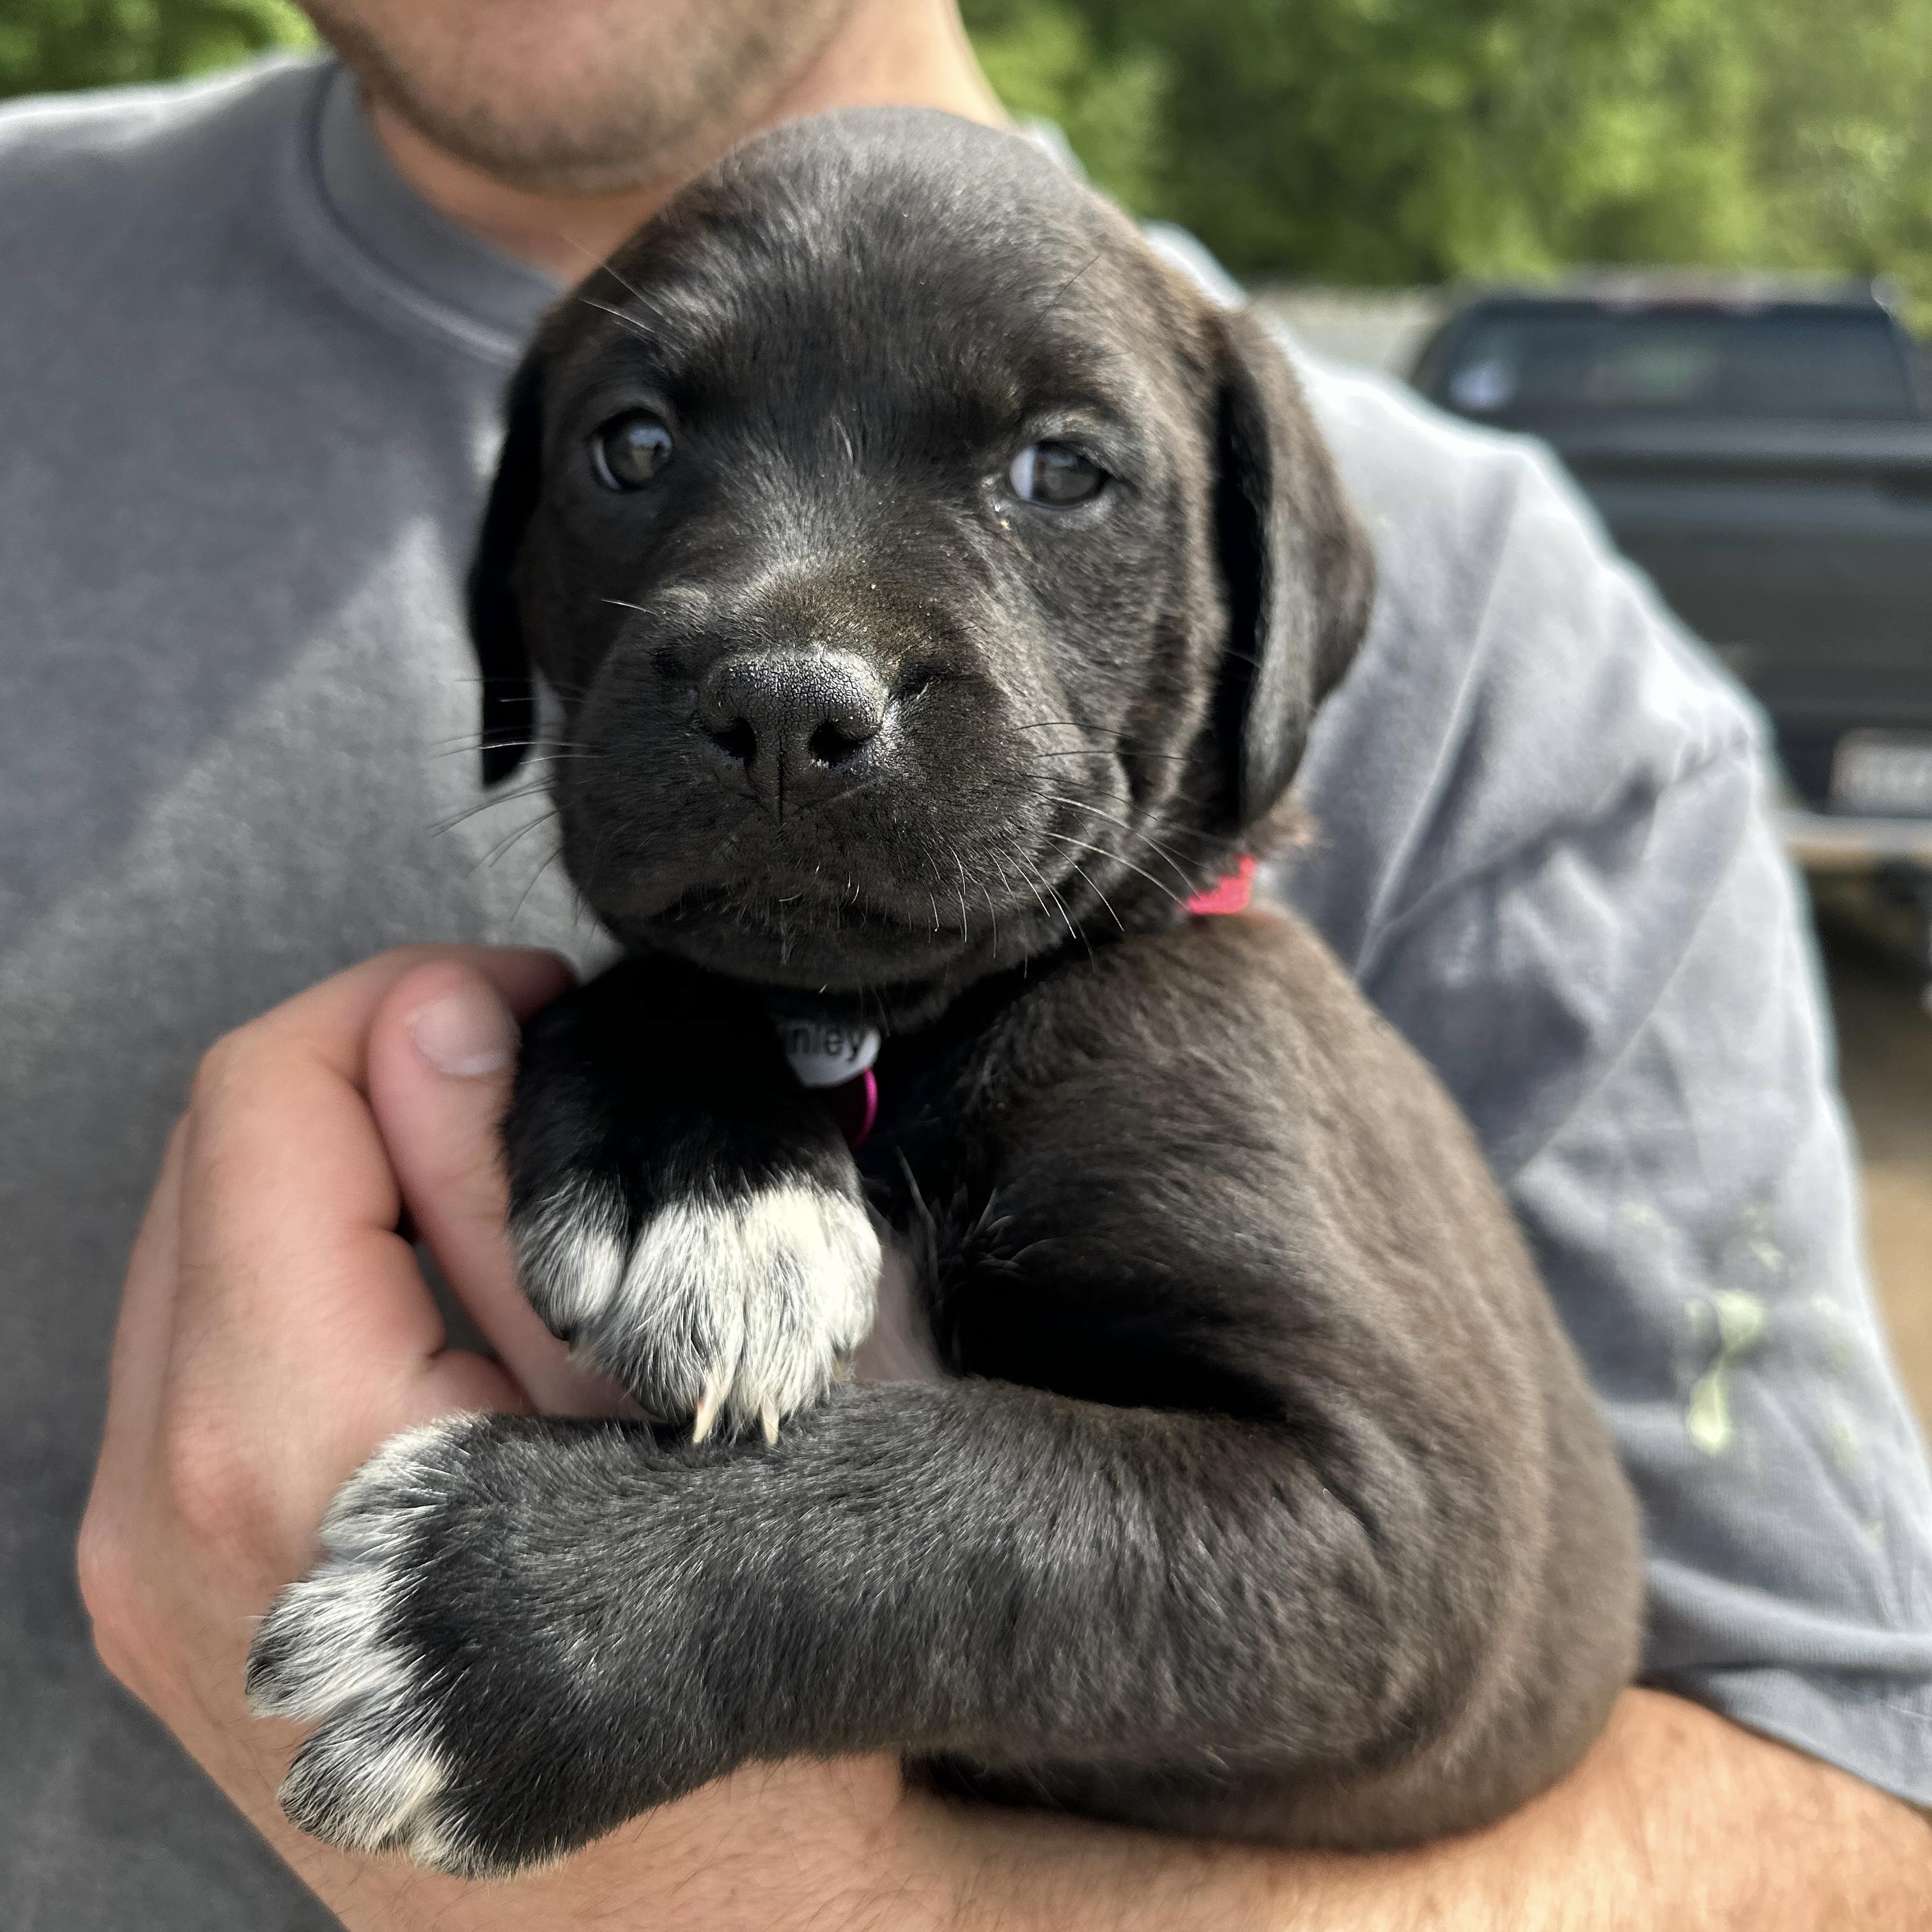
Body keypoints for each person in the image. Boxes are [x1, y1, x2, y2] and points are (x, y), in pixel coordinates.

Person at [1, 1, 1926, 1922]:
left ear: (1255, 618)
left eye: (1061, 478)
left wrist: (732, 1688)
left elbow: (1391, 1571)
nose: (792, 655)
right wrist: (637, 1072)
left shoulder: (1267, 985)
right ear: (508, 579)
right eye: (642, 444)